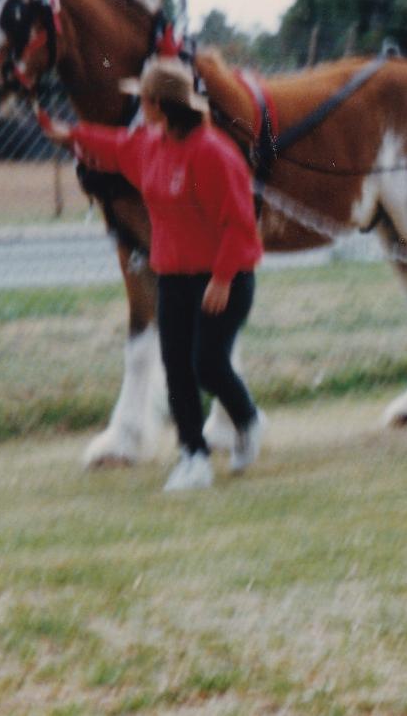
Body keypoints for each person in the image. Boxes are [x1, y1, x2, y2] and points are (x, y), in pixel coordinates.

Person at [42, 57, 266, 491]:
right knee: (176, 367)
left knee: (207, 364)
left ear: (161, 105)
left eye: (142, 100)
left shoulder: (214, 154)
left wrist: (221, 278)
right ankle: (193, 457)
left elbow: (239, 224)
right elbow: (114, 147)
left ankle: (248, 420)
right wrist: (69, 136)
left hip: (225, 279)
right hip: (174, 278)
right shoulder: (151, 144)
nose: (138, 107)